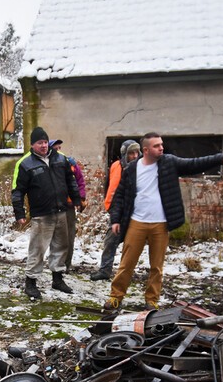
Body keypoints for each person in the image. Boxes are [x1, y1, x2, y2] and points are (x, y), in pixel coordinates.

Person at [104, 132, 223, 312]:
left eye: (161, 144)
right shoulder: (132, 169)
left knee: (157, 266)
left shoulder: (169, 163)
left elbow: (194, 163)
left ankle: (151, 300)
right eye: (156, 146)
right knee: (126, 264)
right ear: (145, 150)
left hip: (160, 224)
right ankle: (116, 297)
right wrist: (115, 219)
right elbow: (120, 196)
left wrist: (220, 157)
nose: (161, 148)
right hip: (136, 223)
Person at [12, 127, 82, 299]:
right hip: (41, 214)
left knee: (60, 247)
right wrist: (19, 213)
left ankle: (57, 279)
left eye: (45, 142)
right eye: (39, 143)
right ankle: (31, 282)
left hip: (61, 211)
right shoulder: (25, 164)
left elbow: (70, 180)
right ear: (32, 145)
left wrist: (77, 199)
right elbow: (18, 191)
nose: (43, 146)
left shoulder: (60, 158)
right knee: (37, 249)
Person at [89, 140, 141, 281]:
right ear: (124, 154)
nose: (135, 155)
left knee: (131, 245)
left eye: (137, 152)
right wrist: (111, 206)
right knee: (110, 241)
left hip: (134, 212)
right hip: (116, 211)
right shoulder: (115, 166)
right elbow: (109, 186)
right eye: (131, 153)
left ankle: (126, 273)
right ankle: (105, 271)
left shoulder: (141, 168)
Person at [49, 139, 87, 273]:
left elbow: (80, 181)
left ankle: (66, 265)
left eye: (59, 147)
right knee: (55, 237)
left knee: (69, 237)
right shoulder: (46, 164)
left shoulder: (69, 162)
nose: (58, 150)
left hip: (68, 206)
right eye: (55, 148)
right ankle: (55, 264)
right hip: (52, 206)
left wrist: (80, 198)